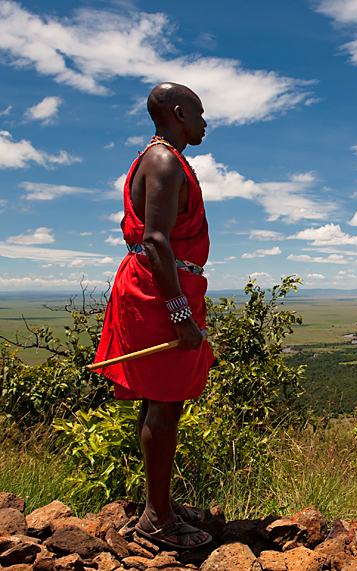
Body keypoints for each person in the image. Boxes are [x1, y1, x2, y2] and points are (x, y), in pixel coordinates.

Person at [93, 82, 214, 549]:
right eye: (200, 113)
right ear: (179, 112)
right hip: (160, 289)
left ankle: (158, 505)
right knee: (164, 401)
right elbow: (157, 241)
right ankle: (158, 520)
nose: (205, 122)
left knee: (161, 399)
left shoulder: (161, 159)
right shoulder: (164, 160)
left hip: (160, 284)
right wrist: (180, 312)